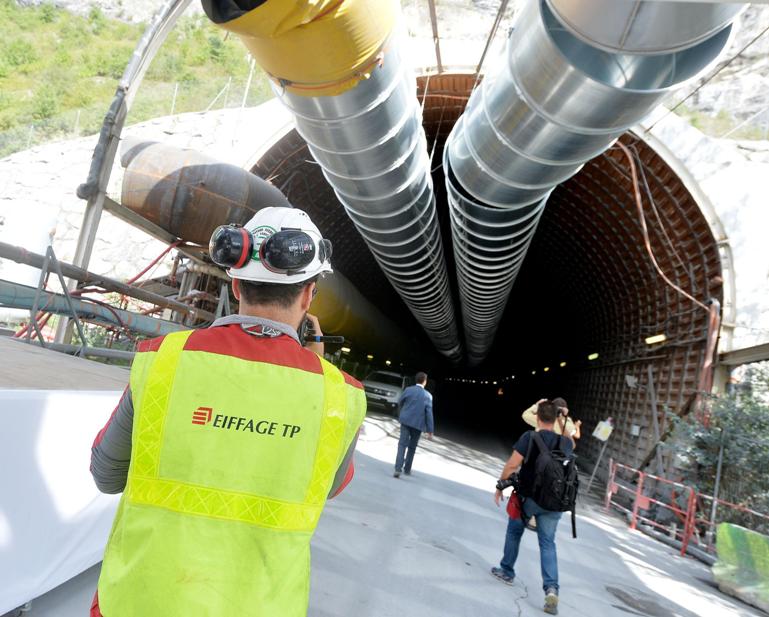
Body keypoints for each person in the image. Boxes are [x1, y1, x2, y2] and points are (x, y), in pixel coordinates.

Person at [89, 207, 367, 617]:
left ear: (235, 285)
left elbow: (106, 474)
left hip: (138, 600)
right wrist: (315, 370)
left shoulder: (165, 361)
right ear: (309, 296)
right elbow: (327, 485)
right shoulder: (338, 396)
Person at [492, 400, 574, 615]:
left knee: (514, 531)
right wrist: (563, 417)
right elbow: (570, 439)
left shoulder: (529, 438)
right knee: (548, 544)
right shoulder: (565, 443)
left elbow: (511, 465)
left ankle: (507, 571)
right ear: (556, 418)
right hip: (555, 502)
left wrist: (501, 486)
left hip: (528, 498)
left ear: (538, 417)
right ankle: (551, 589)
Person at [393, 371, 434, 478]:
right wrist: (430, 430)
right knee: (412, 447)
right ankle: (407, 469)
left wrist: (401, 414)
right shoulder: (428, 396)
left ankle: (398, 468)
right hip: (418, 425)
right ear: (424, 382)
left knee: (402, 444)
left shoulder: (408, 390)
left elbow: (400, 402)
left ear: (416, 380)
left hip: (405, 421)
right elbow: (428, 413)